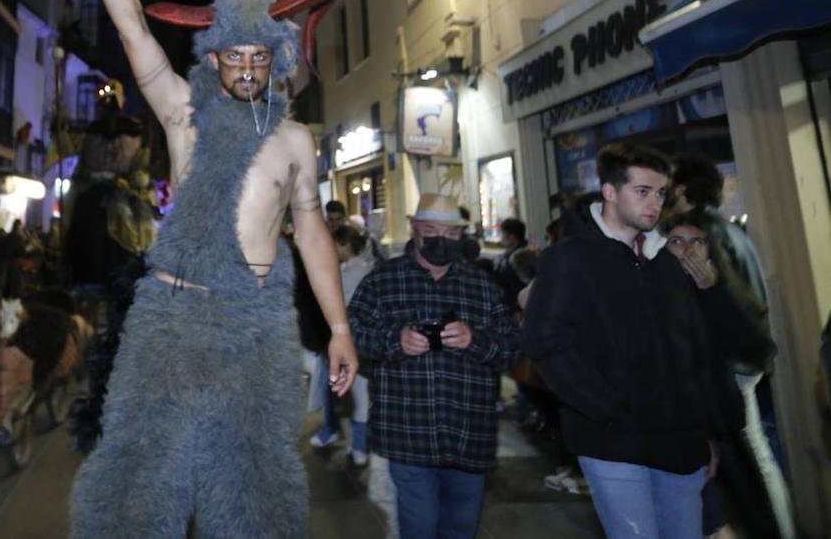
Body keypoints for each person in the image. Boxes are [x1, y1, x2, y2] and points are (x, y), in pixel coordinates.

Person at [67, 0, 358, 538]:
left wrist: (339, 326)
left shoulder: (295, 139)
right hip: (173, 320)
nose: (248, 67)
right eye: (235, 56)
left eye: (260, 56)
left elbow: (310, 232)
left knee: (252, 490)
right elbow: (134, 34)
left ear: (276, 59)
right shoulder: (182, 115)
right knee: (143, 484)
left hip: (254, 326)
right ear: (216, 60)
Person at [522, 143, 770, 539]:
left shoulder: (668, 261)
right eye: (642, 191)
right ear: (609, 191)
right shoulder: (569, 259)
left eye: (660, 193)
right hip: (613, 441)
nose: (654, 203)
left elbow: (702, 350)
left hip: (680, 441)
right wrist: (606, 408)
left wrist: (702, 432)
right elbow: (544, 343)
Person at [348, 193, 520, 538]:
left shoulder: (482, 286)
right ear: (414, 230)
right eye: (431, 230)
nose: (442, 239)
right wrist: (396, 341)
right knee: (420, 525)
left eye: (452, 233)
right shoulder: (382, 282)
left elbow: (512, 349)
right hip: (408, 432)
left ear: (462, 235)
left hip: (469, 432)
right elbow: (353, 335)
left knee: (461, 526)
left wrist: (476, 340)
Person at [670, 153, 792, 539]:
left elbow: (712, 300)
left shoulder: (703, 233)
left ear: (684, 190)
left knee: (752, 456)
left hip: (731, 362)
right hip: (747, 355)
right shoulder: (731, 229)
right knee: (752, 453)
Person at [310, 225, 375, 468]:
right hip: (352, 342)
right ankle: (356, 444)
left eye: (335, 245)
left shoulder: (352, 273)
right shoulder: (359, 268)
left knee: (356, 397)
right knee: (353, 396)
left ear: (345, 245)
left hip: (352, 343)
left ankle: (359, 447)